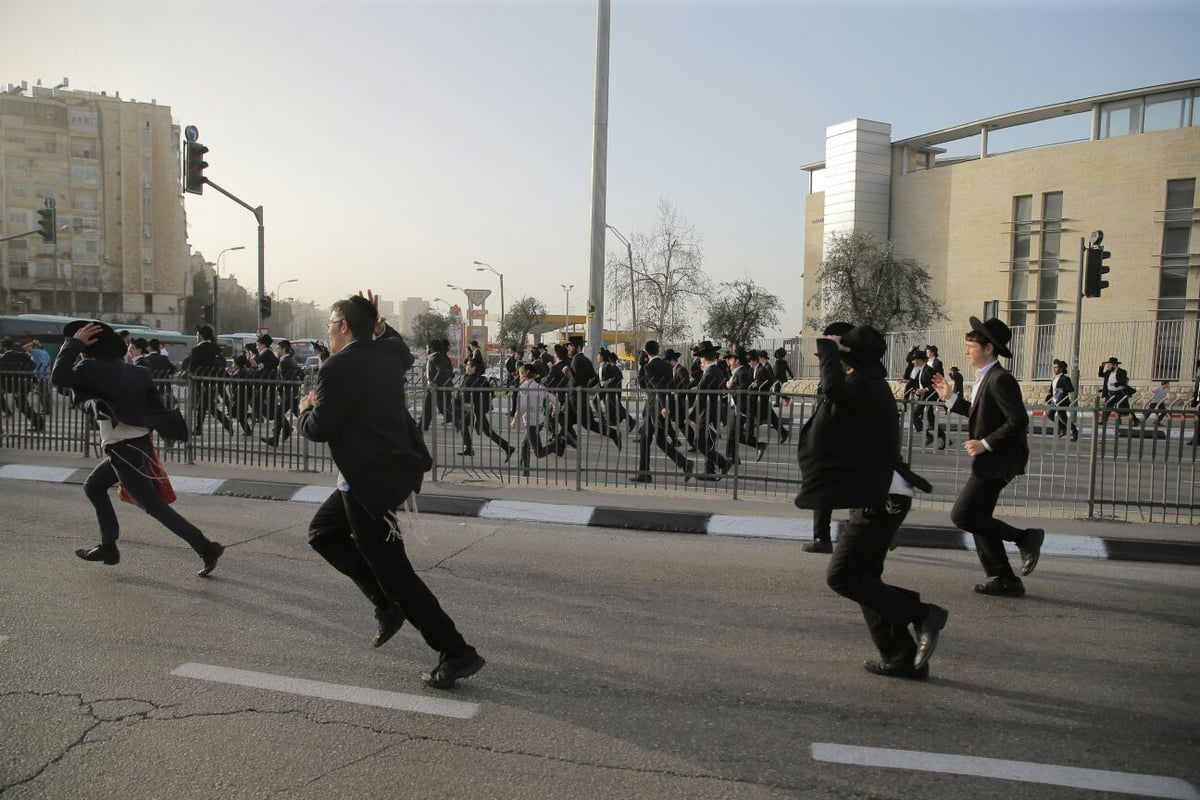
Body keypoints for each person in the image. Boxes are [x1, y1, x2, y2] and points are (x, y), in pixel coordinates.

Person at [299, 294, 484, 690]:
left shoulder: (336, 368)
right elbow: (400, 351)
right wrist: (378, 324)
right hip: (376, 474)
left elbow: (319, 429)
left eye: (331, 324)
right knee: (323, 534)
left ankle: (455, 651)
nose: (328, 332)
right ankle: (385, 606)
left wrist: (304, 409)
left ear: (344, 326)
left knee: (398, 576)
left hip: (369, 484)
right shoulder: (386, 354)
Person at [796, 323, 946, 681]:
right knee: (866, 578)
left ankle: (922, 613)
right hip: (878, 493)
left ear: (851, 360)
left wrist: (829, 351)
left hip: (883, 497)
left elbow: (832, 387)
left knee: (843, 577)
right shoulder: (864, 386)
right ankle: (900, 657)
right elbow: (832, 394)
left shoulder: (864, 386)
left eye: (842, 355)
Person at [52, 319, 224, 575]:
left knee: (154, 507)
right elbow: (154, 408)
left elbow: (58, 376)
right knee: (93, 486)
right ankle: (108, 545)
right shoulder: (137, 372)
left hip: (123, 450)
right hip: (136, 445)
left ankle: (205, 547)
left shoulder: (90, 368)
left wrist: (72, 344)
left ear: (88, 346)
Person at [933, 317, 1044, 597]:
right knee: (978, 517)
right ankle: (1005, 578)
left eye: (971, 345)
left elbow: (1017, 420)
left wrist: (985, 443)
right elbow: (981, 414)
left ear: (989, 348)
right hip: (991, 460)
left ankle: (1025, 537)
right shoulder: (987, 377)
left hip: (999, 460)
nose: (967, 351)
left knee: (963, 515)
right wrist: (951, 399)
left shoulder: (1001, 379)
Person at [801, 322, 854, 554]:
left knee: (854, 489)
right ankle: (822, 537)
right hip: (831, 439)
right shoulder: (833, 367)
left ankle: (875, 531)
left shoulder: (852, 370)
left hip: (844, 438)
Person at [631, 340, 694, 483]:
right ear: (658, 350)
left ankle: (645, 474)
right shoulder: (667, 366)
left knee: (645, 440)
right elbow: (666, 386)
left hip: (656, 408)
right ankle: (684, 463)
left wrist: (642, 366)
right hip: (663, 406)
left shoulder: (649, 367)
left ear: (646, 352)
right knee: (659, 440)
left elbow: (654, 387)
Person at [458, 358, 514, 459]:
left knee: (463, 424)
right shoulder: (469, 377)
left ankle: (469, 449)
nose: (466, 367)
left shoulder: (478, 379)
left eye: (468, 365)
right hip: (474, 409)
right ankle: (507, 447)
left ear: (474, 368)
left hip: (476, 409)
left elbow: (467, 393)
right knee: (487, 432)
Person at [691, 341, 731, 478]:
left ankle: (722, 463)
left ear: (704, 357)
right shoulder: (715, 371)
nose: (699, 361)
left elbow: (702, 396)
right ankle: (709, 470)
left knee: (700, 441)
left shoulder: (711, 373)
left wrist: (691, 414)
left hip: (708, 412)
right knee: (708, 441)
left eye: (700, 358)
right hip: (711, 411)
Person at [511, 362, 558, 477]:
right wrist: (554, 410)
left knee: (538, 452)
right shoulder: (540, 387)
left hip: (532, 423)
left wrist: (514, 420)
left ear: (525, 375)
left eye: (520, 374)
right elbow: (554, 399)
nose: (519, 377)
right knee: (524, 445)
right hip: (540, 421)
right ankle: (524, 471)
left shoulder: (524, 387)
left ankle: (557, 445)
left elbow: (522, 407)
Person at [189, 325, 234, 436]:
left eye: (197, 334)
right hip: (214, 381)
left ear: (201, 335)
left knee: (209, 405)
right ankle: (199, 428)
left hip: (201, 381)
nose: (196, 336)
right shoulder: (215, 348)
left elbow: (192, 367)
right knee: (203, 405)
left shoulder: (197, 350)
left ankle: (227, 423)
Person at [1, 338, 43, 432]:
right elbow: (32, 364)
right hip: (24, 383)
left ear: (4, 347)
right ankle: (38, 422)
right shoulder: (20, 355)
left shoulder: (4, 358)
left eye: (0, 346)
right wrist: (24, 373)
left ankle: (39, 423)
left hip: (17, 385)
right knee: (22, 405)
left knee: (22, 405)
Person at [1045, 359, 1079, 441]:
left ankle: (1072, 431)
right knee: (1050, 415)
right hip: (1055, 400)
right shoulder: (1054, 378)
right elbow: (1052, 389)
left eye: (1056, 367)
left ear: (1061, 369)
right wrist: (1049, 393)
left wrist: (1061, 389)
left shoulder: (1064, 378)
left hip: (1061, 400)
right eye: (1053, 367)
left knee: (1063, 418)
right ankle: (1065, 428)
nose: (1054, 369)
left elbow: (1071, 389)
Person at [1099, 357, 1139, 425]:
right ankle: (1104, 421)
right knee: (1107, 407)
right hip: (1110, 393)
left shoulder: (1122, 371)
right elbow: (1101, 375)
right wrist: (1101, 367)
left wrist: (1115, 384)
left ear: (1115, 365)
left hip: (1119, 393)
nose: (1108, 366)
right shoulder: (1109, 372)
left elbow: (1124, 381)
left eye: (1110, 365)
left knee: (1125, 408)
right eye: (1108, 365)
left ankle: (1135, 420)